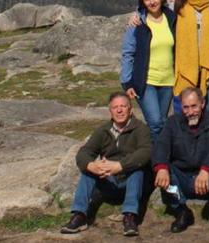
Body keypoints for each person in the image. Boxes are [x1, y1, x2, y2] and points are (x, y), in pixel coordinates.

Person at [60, 92, 153, 237]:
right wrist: (92, 165)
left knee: (137, 169)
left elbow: (146, 152)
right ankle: (79, 215)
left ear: (130, 109)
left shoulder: (141, 129)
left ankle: (130, 216)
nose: (119, 110)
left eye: (123, 106)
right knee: (87, 171)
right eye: (115, 107)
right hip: (110, 181)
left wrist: (119, 166)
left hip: (133, 183)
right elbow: (84, 153)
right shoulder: (103, 130)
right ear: (110, 111)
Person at [152, 87, 209, 234]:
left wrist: (206, 169)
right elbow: (161, 145)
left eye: (194, 106)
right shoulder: (172, 122)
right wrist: (161, 167)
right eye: (186, 107)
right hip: (183, 180)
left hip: (208, 180)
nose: (190, 112)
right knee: (163, 169)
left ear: (202, 104)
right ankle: (181, 210)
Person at [120, 0, 176, 136]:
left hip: (168, 81)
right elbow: (128, 53)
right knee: (156, 122)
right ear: (143, 2)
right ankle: (158, 160)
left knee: (162, 122)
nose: (152, 2)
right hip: (146, 82)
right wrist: (127, 83)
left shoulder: (172, 18)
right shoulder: (138, 23)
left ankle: (157, 156)